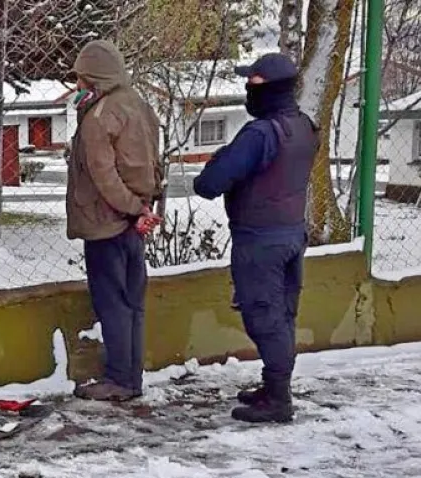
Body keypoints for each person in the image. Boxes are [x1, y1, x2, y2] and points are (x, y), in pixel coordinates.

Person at [193, 53, 318, 424]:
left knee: (263, 316)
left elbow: (209, 184)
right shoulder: (303, 126)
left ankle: (278, 400)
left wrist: (219, 159)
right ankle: (274, 386)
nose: (248, 88)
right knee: (282, 315)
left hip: (260, 239)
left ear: (271, 88)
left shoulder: (261, 134)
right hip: (292, 232)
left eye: (253, 82)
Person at [66, 39, 163, 402]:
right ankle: (132, 376)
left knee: (112, 303)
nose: (77, 85)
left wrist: (131, 208)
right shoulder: (139, 104)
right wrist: (143, 208)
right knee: (133, 303)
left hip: (107, 221)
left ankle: (120, 379)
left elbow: (103, 175)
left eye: (81, 77)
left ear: (95, 77)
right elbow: (153, 162)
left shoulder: (100, 116)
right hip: (135, 220)